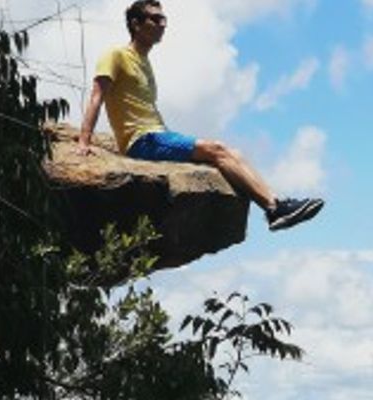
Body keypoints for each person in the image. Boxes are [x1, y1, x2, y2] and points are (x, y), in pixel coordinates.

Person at [78, 0, 323, 232]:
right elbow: (97, 96)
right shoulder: (116, 56)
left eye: (164, 19)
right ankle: (274, 208)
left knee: (232, 154)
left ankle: (276, 203)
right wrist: (84, 140)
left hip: (159, 136)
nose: (162, 24)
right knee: (218, 150)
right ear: (135, 24)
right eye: (155, 19)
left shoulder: (144, 62)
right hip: (143, 141)